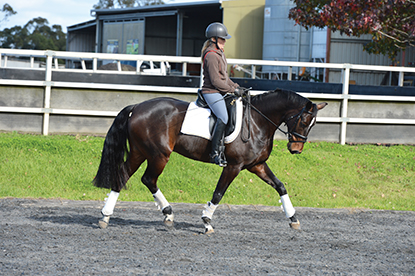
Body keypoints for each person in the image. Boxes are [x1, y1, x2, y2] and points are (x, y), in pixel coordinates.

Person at [201, 22, 243, 167]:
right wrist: (232, 91)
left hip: (219, 90)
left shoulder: (220, 54)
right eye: (222, 39)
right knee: (223, 117)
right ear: (214, 39)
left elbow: (225, 78)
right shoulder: (211, 56)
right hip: (211, 92)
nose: (225, 42)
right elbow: (215, 81)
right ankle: (214, 153)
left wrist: (237, 87)